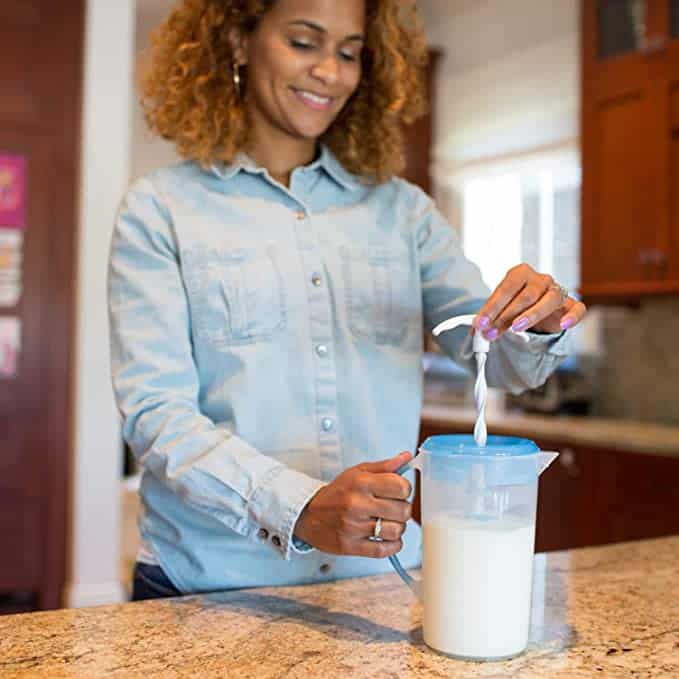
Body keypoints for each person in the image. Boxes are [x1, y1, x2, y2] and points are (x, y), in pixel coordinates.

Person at [109, 0, 586, 601]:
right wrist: (299, 507)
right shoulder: (160, 210)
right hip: (210, 584)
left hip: (380, 583)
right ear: (237, 39)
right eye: (304, 43)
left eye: (348, 52)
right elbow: (157, 415)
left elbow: (491, 350)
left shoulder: (403, 211)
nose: (329, 74)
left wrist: (535, 320)